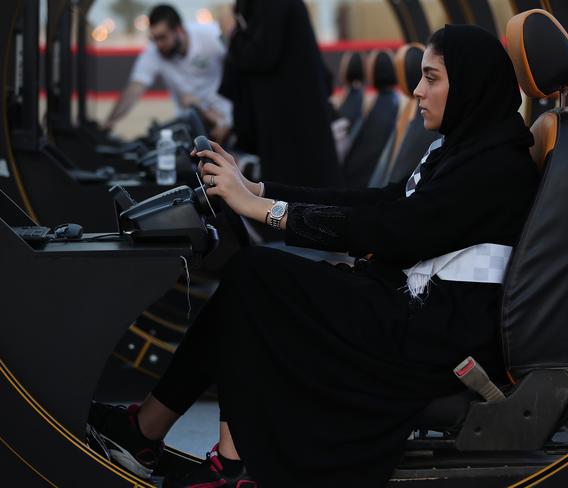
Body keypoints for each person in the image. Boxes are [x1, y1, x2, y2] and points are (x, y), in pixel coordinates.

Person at [89, 24, 540, 488]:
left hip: (433, 337)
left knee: (255, 275)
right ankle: (146, 430)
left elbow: (396, 231)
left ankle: (236, 463)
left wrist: (266, 211)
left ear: (467, 84)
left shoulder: (494, 164)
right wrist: (259, 191)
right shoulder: (469, 147)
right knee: (248, 280)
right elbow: (377, 203)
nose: (418, 90)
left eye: (432, 78)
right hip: (417, 312)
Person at [219, 0, 341, 187]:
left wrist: (231, 32)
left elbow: (260, 55)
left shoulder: (273, 5)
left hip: (293, 128)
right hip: (290, 124)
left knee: (296, 195)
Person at [104, 4, 233, 142]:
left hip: (227, 123)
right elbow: (135, 88)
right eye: (154, 39)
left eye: (162, 37)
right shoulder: (154, 52)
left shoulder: (211, 36)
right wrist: (109, 122)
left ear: (179, 30)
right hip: (191, 127)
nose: (158, 44)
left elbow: (237, 66)